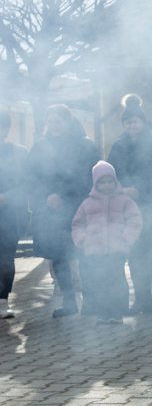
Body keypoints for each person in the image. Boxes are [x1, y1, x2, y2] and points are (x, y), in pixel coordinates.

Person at [108, 95, 152, 316]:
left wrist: (140, 190)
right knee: (136, 256)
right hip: (129, 209)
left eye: (135, 121)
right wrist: (122, 190)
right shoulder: (118, 145)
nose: (132, 125)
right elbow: (112, 174)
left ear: (143, 122)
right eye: (128, 122)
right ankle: (141, 301)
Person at [29, 105, 99, 318]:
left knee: (84, 254)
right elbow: (32, 176)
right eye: (50, 121)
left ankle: (91, 301)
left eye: (58, 121)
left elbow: (88, 176)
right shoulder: (40, 147)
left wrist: (64, 196)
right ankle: (69, 301)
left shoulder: (84, 145)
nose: (54, 125)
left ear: (68, 122)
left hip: (78, 207)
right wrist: (47, 196)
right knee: (59, 257)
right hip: (50, 211)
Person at [71, 161, 142, 323]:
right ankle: (103, 313)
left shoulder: (124, 200)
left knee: (116, 280)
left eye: (110, 181)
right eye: (102, 182)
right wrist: (82, 239)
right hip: (94, 250)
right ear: (96, 183)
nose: (106, 185)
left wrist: (127, 237)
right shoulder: (87, 203)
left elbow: (135, 220)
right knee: (99, 282)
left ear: (115, 181)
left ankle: (116, 313)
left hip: (117, 249)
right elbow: (77, 224)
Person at [0, 110, 28, 320]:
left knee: (6, 259)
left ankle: (3, 301)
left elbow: (27, 183)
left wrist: (7, 197)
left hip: (9, 216)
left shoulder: (18, 153)